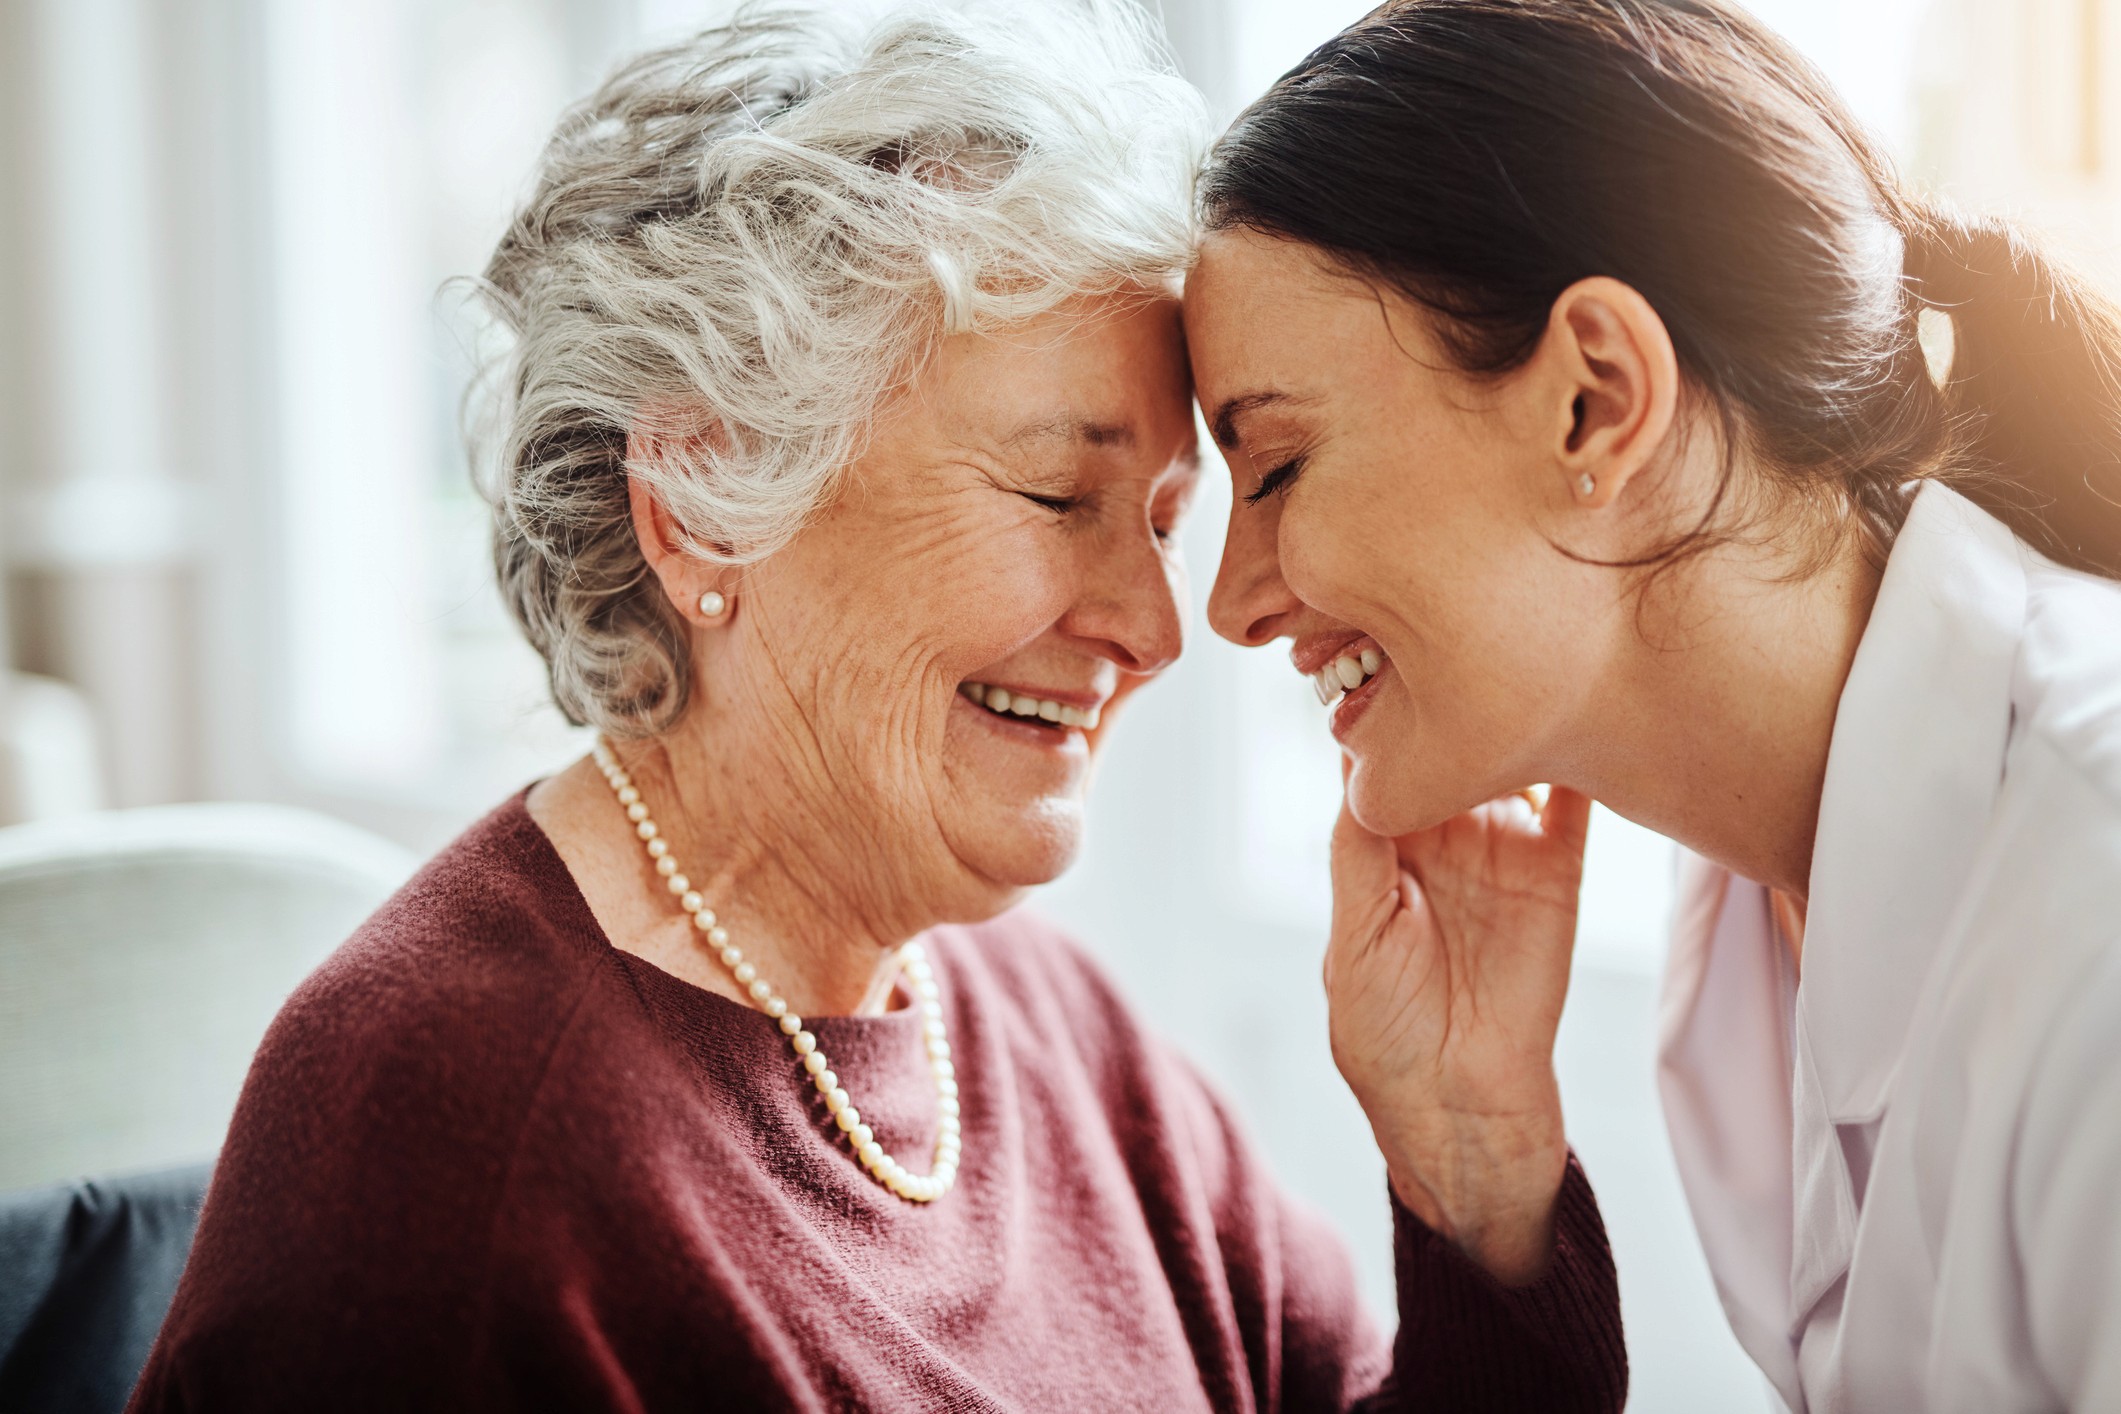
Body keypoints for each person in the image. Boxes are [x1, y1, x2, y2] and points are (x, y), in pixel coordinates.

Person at [127, 5, 1628, 1410]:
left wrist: (1470, 1152)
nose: (1157, 627)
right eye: (1057, 492)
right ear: (707, 506)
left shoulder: (1045, 1020)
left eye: (1161, 517)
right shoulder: (442, 1146)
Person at [1186, 0, 2121, 1410]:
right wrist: (1475, 1160)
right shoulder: (1745, 920)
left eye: (1271, 467)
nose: (1231, 601)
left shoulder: (2093, 899)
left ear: (1595, 398)